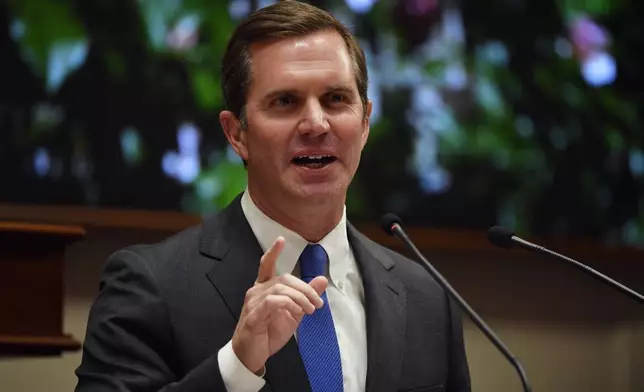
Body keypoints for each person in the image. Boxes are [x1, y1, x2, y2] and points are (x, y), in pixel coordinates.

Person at [74, 1, 471, 391]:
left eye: (336, 99)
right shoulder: (149, 285)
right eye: (285, 101)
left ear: (365, 123)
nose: (316, 123)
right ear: (236, 134)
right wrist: (237, 367)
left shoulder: (428, 298)